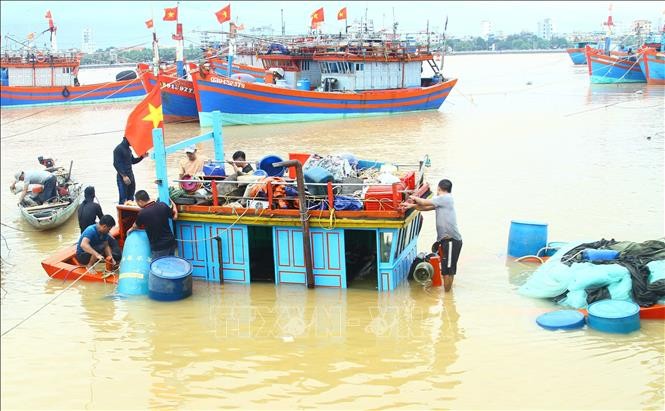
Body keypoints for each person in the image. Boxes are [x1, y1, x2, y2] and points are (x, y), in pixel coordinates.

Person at [402, 179, 462, 292]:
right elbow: (423, 208)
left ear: (439, 189)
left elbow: (424, 202)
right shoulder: (442, 202)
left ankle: (447, 298)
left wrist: (413, 197)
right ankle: (449, 295)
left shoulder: (446, 198)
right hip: (448, 241)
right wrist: (410, 206)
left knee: (447, 271)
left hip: (451, 241)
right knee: (449, 270)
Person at [128, 190, 178, 259]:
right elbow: (175, 217)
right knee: (170, 264)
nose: (138, 205)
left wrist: (130, 230)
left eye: (137, 203)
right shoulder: (162, 205)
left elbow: (135, 226)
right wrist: (174, 206)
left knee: (158, 267)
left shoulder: (142, 213)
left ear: (140, 201)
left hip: (159, 247)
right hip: (171, 242)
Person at [77, 186, 122, 259]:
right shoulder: (95, 206)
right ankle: (114, 257)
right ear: (94, 195)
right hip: (92, 235)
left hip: (83, 233)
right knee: (113, 242)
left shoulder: (80, 207)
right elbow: (103, 220)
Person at [113, 137, 146, 205]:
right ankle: (122, 215)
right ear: (127, 139)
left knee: (131, 198)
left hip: (131, 176)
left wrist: (142, 157)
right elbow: (116, 164)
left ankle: (130, 214)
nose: (133, 143)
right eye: (132, 141)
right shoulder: (118, 149)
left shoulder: (128, 150)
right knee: (123, 199)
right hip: (122, 178)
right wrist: (124, 176)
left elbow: (133, 161)